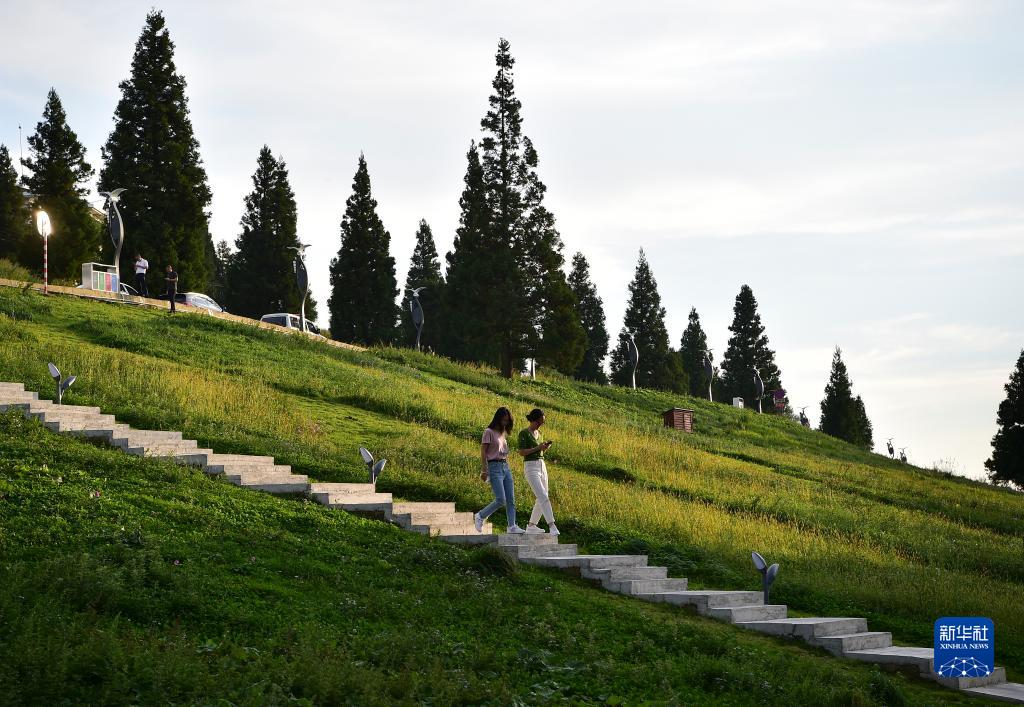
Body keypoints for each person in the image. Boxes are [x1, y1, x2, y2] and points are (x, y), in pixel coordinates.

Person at [474, 407, 524, 534]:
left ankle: (512, 526)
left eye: (507, 421)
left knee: (511, 498)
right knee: (501, 499)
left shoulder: (503, 433)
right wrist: (484, 470)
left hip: (505, 466)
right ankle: (480, 515)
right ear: (498, 418)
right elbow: (483, 451)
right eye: (504, 420)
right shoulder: (488, 432)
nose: (505, 423)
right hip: (494, 467)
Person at [518, 408, 559, 535]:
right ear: (534, 420)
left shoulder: (540, 433)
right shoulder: (524, 433)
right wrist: (538, 447)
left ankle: (532, 525)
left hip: (541, 464)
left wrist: (544, 448)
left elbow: (538, 451)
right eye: (540, 421)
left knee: (542, 495)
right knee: (543, 496)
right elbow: (522, 452)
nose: (542, 424)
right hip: (531, 466)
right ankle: (552, 525)